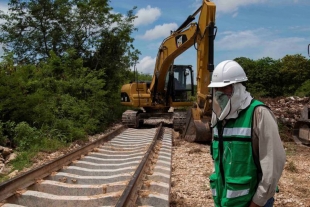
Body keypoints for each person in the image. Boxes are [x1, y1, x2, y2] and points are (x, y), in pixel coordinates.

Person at [207, 60, 286, 207]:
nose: (219, 93)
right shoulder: (218, 118)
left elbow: (273, 165)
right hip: (226, 201)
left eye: (225, 88)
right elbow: (219, 160)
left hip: (254, 203)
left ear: (237, 88)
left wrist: (258, 201)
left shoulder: (259, 114)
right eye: (216, 88)